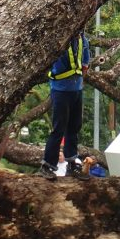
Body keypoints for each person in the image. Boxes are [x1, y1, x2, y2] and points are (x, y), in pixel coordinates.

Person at [39, 32, 90, 181]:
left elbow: (85, 64)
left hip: (76, 89)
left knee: (74, 127)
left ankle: (72, 163)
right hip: (61, 90)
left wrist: (80, 82)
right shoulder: (59, 38)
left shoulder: (82, 39)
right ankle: (48, 165)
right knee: (58, 129)